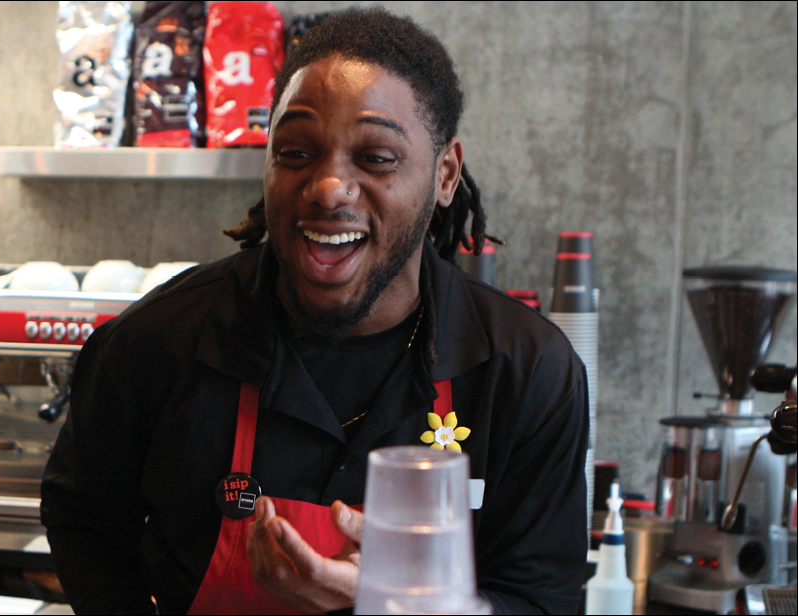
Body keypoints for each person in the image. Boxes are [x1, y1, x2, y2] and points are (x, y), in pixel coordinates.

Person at [42, 7, 588, 615]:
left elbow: (542, 601)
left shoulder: (526, 373)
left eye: (376, 158)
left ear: (445, 174)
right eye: (297, 151)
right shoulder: (158, 341)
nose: (328, 187)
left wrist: (398, 605)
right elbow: (82, 521)